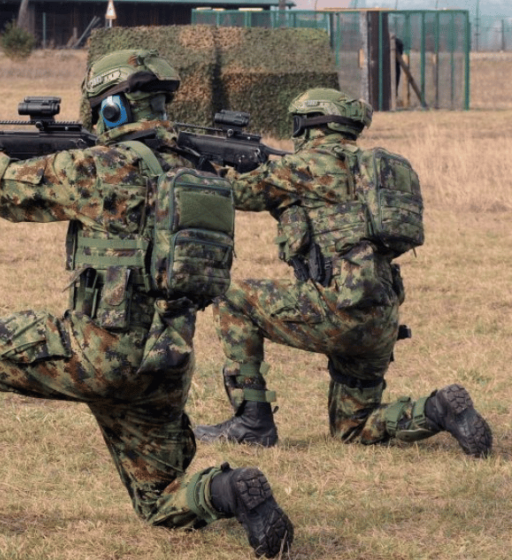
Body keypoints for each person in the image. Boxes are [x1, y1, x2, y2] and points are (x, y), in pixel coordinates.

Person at [0, 49, 293, 558]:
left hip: (95, 353)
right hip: (164, 364)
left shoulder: (104, 168)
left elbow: (5, 189)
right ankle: (232, 490)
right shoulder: (202, 175)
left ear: (113, 108)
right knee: (158, 502)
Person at [194, 88, 493, 458]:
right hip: (379, 321)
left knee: (231, 298)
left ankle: (252, 421)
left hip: (337, 311)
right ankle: (439, 408)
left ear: (307, 125)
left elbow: (226, 191)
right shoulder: (375, 172)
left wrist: (195, 163)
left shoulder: (304, 167)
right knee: (354, 428)